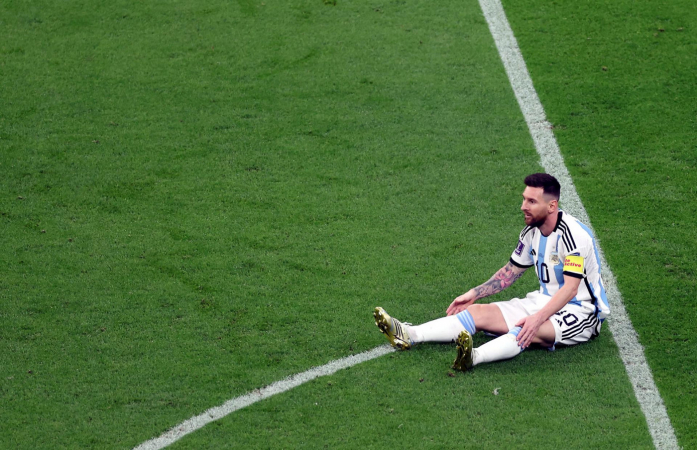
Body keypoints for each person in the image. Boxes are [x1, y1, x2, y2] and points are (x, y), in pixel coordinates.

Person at [374, 173, 610, 371]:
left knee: (524, 328)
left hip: (581, 312)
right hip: (543, 300)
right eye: (524, 199)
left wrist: (537, 319)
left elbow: (570, 289)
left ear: (551, 206)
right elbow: (510, 272)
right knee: (477, 313)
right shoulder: (531, 233)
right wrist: (474, 293)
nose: (523, 207)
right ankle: (409, 334)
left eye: (531, 202)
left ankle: (472, 358)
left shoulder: (573, 236)